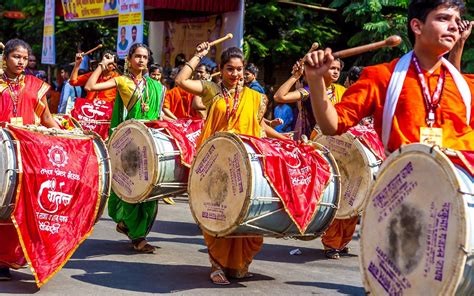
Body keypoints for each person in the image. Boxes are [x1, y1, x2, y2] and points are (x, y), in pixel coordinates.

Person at [304, 0, 474, 257]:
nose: (453, 26)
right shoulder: (382, 77)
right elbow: (332, 125)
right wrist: (316, 82)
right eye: (442, 19)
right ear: (417, 25)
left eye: (455, 20)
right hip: (404, 202)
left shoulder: (465, 86)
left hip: (460, 205)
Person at [175, 43, 286, 285]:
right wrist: (197, 56)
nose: (235, 74)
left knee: (246, 213)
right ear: (221, 70)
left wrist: (280, 138)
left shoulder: (257, 98)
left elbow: (260, 129)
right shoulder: (211, 90)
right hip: (215, 164)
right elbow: (181, 82)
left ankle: (239, 264)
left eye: (239, 69)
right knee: (217, 214)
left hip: (245, 165)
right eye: (229, 69)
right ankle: (216, 265)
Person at [85, 43, 166, 253]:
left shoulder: (156, 86)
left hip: (150, 144)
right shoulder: (122, 81)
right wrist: (102, 66)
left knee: (149, 191)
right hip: (129, 145)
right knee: (131, 188)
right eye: (137, 56)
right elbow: (90, 87)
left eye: (145, 57)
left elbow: (158, 113)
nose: (141, 60)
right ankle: (137, 236)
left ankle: (131, 228)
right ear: (129, 59)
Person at [0, 39, 60, 281]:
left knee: (24, 207)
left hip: (30, 157)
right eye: (16, 57)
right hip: (2, 156)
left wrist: (66, 135)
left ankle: (16, 256)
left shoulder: (35, 86)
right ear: (6, 58)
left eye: (24, 58)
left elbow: (46, 118)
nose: (21, 62)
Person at [274, 59, 345, 140]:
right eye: (332, 68)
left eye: (338, 69)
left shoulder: (342, 90)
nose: (336, 72)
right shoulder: (310, 90)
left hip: (336, 141)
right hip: (313, 141)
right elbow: (279, 97)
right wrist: (295, 76)